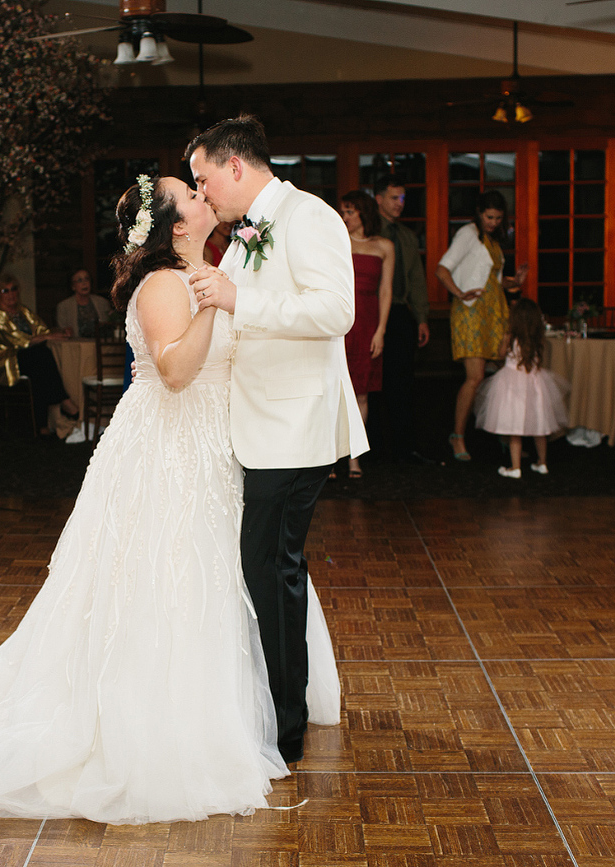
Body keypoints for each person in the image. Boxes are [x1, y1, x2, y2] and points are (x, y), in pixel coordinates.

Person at [0, 174, 340, 823]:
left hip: (220, 444)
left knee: (230, 572)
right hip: (166, 448)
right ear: (176, 225)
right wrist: (214, 302)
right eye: (192, 194)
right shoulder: (162, 284)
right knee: (168, 576)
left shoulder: (209, 270)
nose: (206, 197)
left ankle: (246, 700)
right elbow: (175, 370)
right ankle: (160, 718)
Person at [188, 115, 366, 766]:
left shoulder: (307, 216)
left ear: (236, 166)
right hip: (258, 421)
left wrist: (239, 300)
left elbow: (333, 312)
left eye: (204, 180)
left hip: (295, 428)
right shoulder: (244, 233)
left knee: (273, 571)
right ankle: (277, 705)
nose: (202, 194)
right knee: (268, 568)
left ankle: (285, 723)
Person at [436, 190, 526, 462]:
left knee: (504, 372)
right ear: (478, 212)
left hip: (495, 311)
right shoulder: (467, 234)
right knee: (474, 377)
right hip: (471, 313)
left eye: (498, 218)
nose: (493, 222)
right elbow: (442, 269)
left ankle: (502, 430)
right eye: (489, 217)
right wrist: (459, 293)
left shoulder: (492, 239)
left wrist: (514, 281)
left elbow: (493, 281)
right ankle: (458, 436)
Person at [373, 175, 433, 464]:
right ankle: (371, 449)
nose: (400, 204)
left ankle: (403, 448)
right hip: (371, 312)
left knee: (402, 383)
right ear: (379, 199)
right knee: (372, 384)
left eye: (403, 198)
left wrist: (421, 317)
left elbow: (417, 279)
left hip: (400, 312)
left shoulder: (407, 237)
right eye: (395, 197)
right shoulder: (371, 234)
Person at [473, 298, 568, 478]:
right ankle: (542, 463)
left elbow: (501, 355)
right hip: (535, 384)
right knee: (540, 427)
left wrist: (503, 342)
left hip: (512, 386)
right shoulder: (537, 340)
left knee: (514, 428)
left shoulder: (510, 338)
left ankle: (515, 468)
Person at [339, 190, 394, 479]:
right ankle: (330, 460)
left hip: (368, 322)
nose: (345, 217)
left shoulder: (384, 246)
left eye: (350, 212)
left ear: (363, 213)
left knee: (361, 394)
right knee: (334, 391)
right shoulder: (336, 241)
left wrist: (381, 329)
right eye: (343, 212)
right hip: (339, 321)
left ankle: (354, 459)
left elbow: (386, 291)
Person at [0, 273, 78, 435]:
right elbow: (19, 341)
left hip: (30, 360)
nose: (11, 294)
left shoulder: (23, 311)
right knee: (40, 356)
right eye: (5, 291)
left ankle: (42, 426)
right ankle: (64, 401)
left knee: (39, 368)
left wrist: (60, 332)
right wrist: (48, 336)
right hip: (9, 362)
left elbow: (42, 330)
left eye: (13, 289)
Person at [55, 267, 112, 338]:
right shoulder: (64, 306)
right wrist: (66, 331)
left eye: (87, 279)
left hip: (100, 346)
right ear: (73, 286)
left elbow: (110, 327)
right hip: (76, 346)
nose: (84, 283)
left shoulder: (102, 302)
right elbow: (62, 331)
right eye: (80, 280)